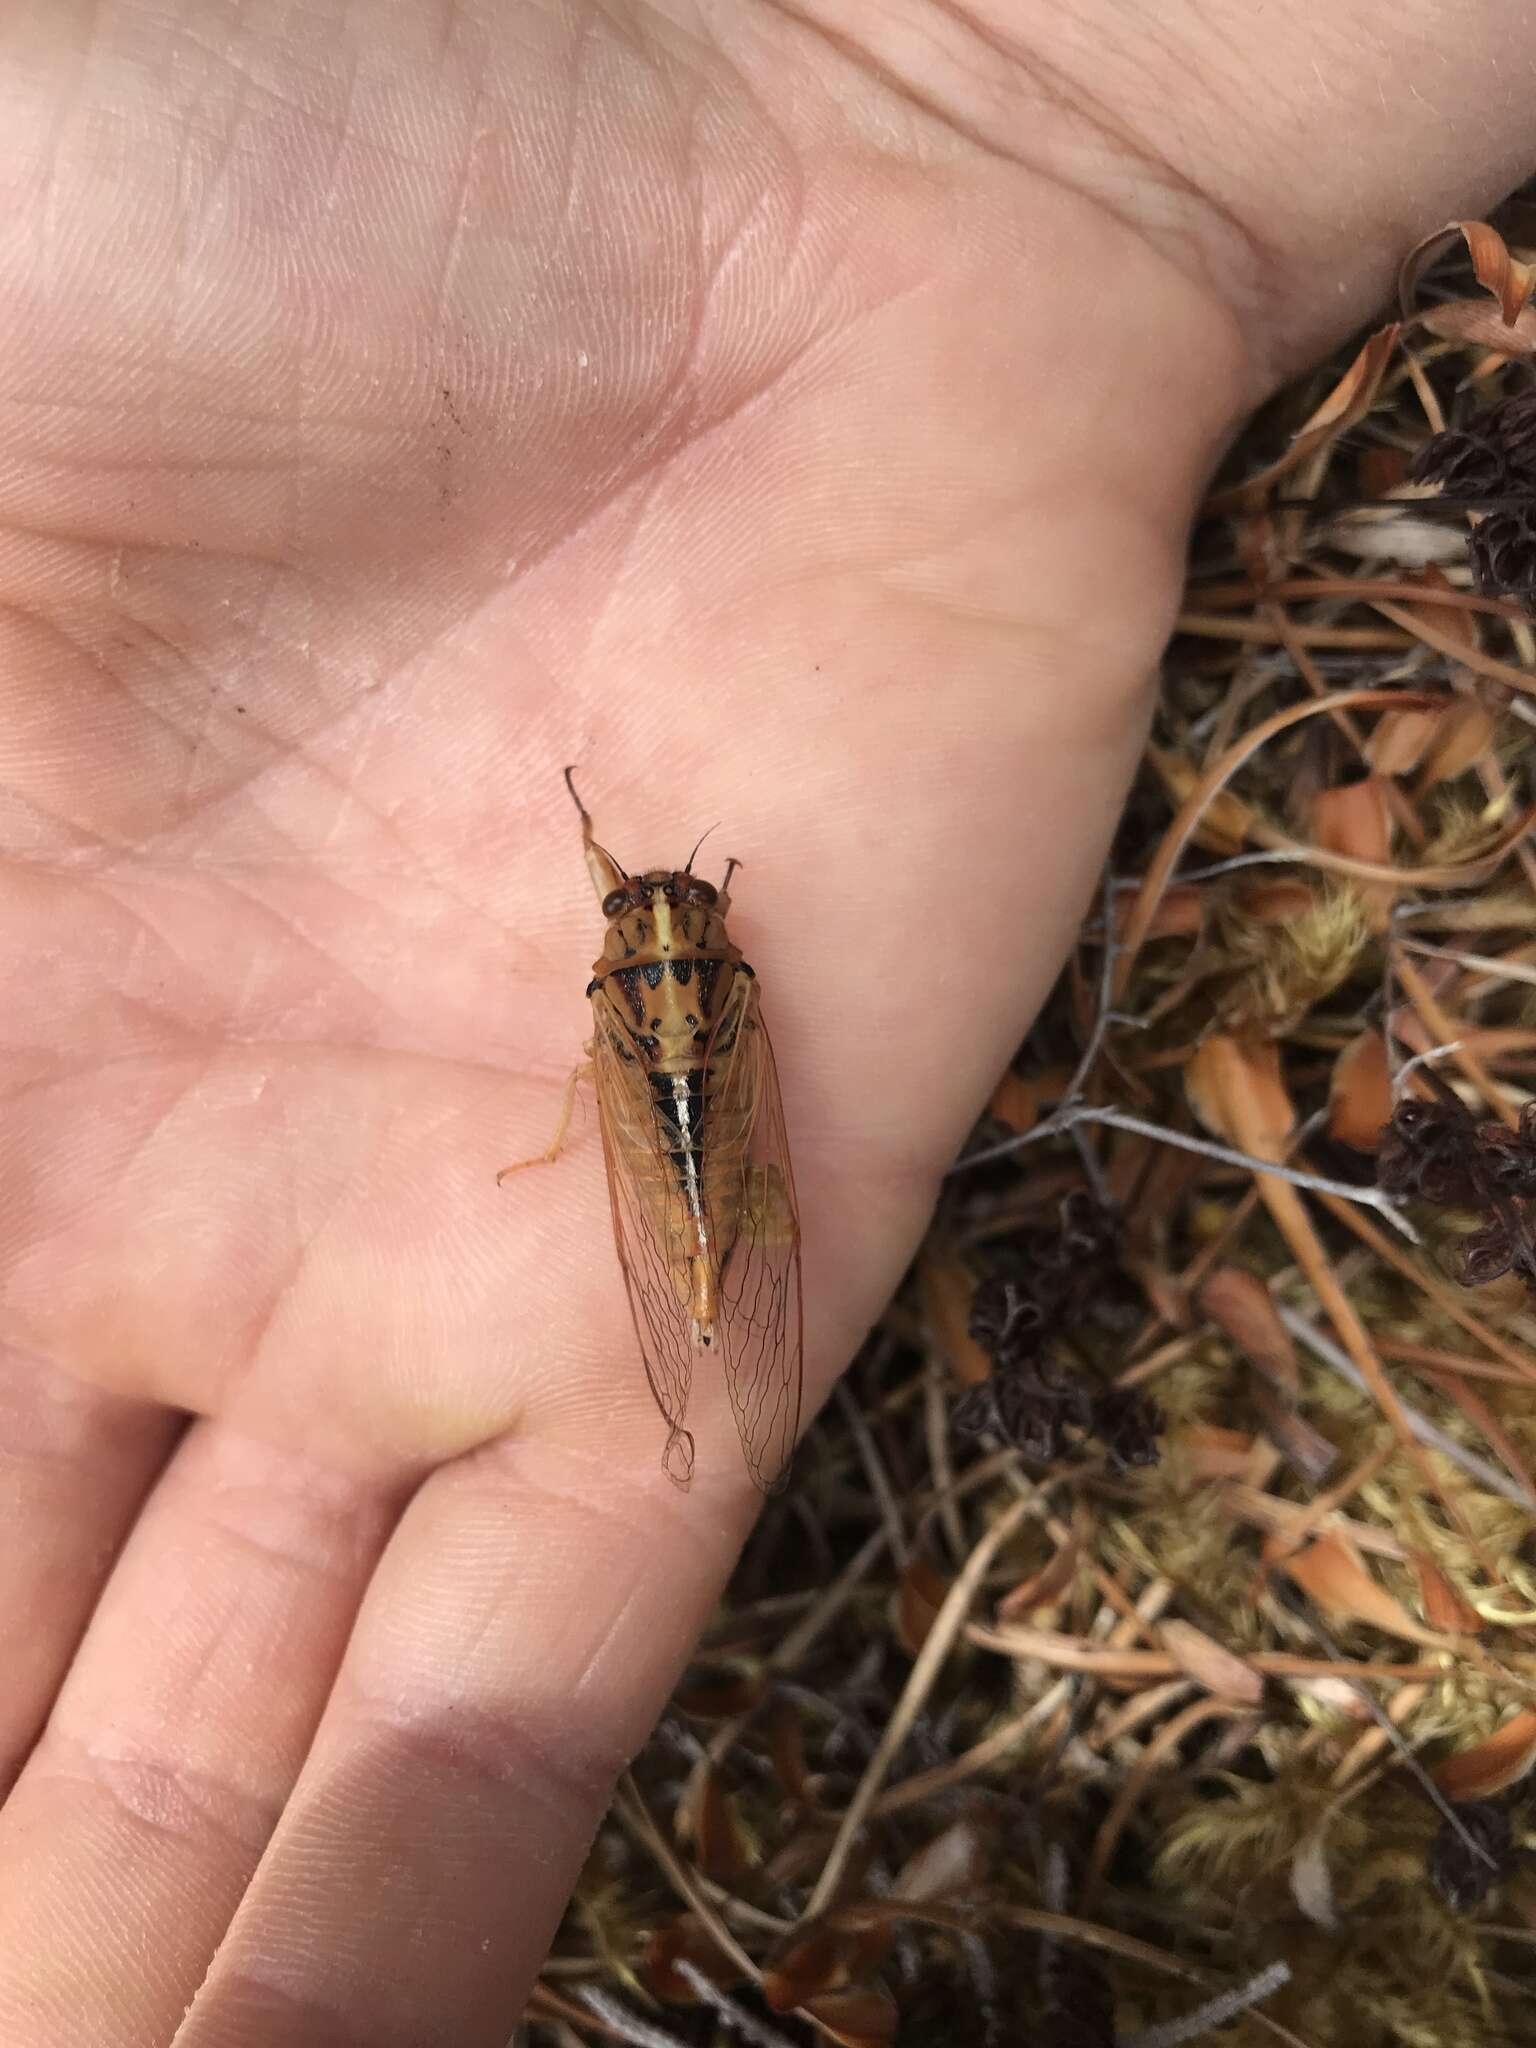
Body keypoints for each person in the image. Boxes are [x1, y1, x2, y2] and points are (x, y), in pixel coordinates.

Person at [0, 3, 1524, 2040]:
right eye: (654, 917)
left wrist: (1026, 101)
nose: (658, 919)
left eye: (665, 914)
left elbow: (634, 1013)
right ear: (667, 940)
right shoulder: (685, 965)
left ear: (669, 936)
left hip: (704, 1098)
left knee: (704, 1190)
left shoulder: (664, 967)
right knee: (702, 1193)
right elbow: (642, 1026)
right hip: (695, 1121)